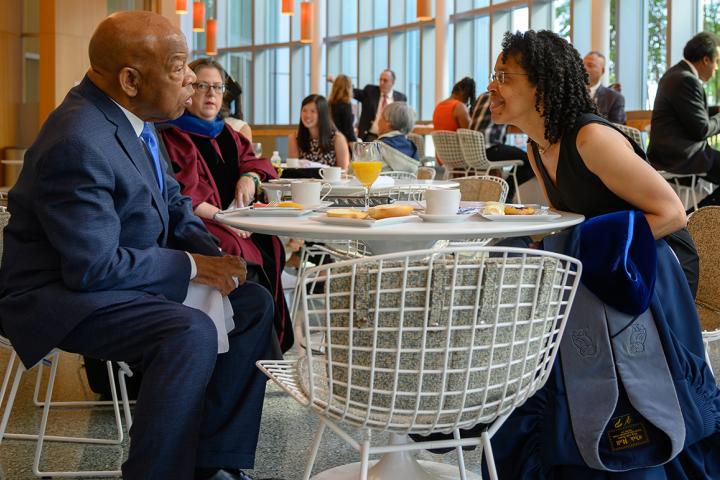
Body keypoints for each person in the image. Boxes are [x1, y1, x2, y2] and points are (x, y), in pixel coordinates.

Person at [0, 12, 278, 480]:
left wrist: (212, 256)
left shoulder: (135, 119)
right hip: (62, 295)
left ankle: (214, 464)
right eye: (178, 66)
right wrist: (192, 266)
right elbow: (92, 268)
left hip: (116, 276)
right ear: (130, 79)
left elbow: (172, 203)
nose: (191, 78)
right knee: (186, 331)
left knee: (252, 301)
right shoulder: (78, 140)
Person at [464, 29, 717, 479]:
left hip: (650, 269)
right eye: (493, 74)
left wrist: (583, 252)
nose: (492, 86)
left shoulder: (590, 140)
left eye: (504, 75)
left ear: (540, 84)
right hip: (598, 269)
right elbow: (567, 220)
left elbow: (672, 213)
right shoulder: (537, 147)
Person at [159, 57, 293, 353]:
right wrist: (226, 219)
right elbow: (184, 195)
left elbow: (257, 163)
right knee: (243, 255)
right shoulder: (172, 135)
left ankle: (269, 351)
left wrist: (249, 177)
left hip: (236, 219)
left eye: (218, 87)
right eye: (203, 86)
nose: (210, 94)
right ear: (189, 88)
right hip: (203, 222)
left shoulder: (228, 133)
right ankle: (250, 352)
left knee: (269, 243)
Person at [648, 32, 720, 208]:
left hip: (668, 153)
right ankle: (697, 218)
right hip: (680, 156)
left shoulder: (676, 74)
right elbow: (701, 129)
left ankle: (699, 216)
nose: (716, 68)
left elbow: (687, 111)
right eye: (717, 61)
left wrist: (716, 111)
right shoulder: (687, 80)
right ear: (705, 60)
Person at [469, 91, 533, 199]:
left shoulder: (482, 96)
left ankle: (504, 190)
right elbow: (518, 119)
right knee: (531, 161)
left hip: (472, 152)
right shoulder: (504, 98)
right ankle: (506, 191)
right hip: (490, 149)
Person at [329, 70, 407, 141]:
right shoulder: (370, 91)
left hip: (391, 138)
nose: (381, 83)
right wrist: (337, 83)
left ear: (392, 82)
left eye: (385, 80)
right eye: (380, 80)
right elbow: (351, 91)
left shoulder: (400, 98)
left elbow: (403, 120)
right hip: (370, 137)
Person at [288, 94, 349, 169]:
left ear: (322, 114)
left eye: (313, 111)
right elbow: (293, 170)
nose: (307, 115)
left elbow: (343, 172)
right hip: (303, 180)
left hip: (330, 181)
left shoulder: (337, 139)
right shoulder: (294, 138)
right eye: (304, 110)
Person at [583, 51, 626, 124]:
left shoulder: (614, 98)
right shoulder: (571, 94)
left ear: (602, 71)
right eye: (582, 64)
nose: (584, 68)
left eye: (590, 65)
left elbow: (617, 130)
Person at [376, 102, 419, 173]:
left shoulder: (375, 148)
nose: (378, 121)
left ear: (388, 122)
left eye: (381, 117)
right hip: (408, 183)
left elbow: (354, 175)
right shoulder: (413, 149)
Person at [328, 74, 357, 144]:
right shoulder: (345, 105)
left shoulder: (329, 104)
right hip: (342, 144)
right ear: (348, 88)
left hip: (329, 141)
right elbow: (349, 132)